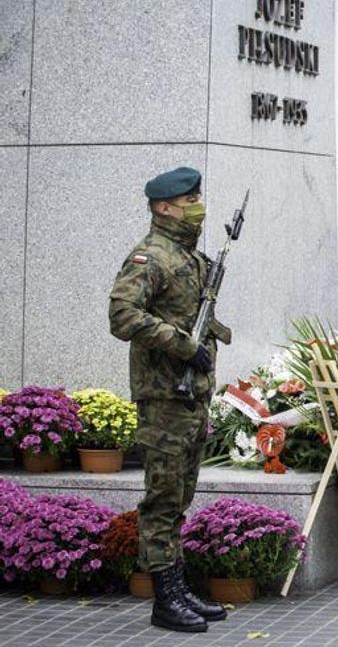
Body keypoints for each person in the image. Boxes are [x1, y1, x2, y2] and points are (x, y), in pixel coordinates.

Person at [108, 167, 229, 633]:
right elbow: (122, 315)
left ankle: (177, 588)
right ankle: (164, 600)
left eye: (198, 196)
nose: (197, 204)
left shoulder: (189, 255)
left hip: (191, 396)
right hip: (163, 397)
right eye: (189, 199)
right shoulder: (150, 256)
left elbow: (190, 312)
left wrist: (210, 332)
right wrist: (183, 344)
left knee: (180, 497)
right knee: (161, 500)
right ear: (163, 207)